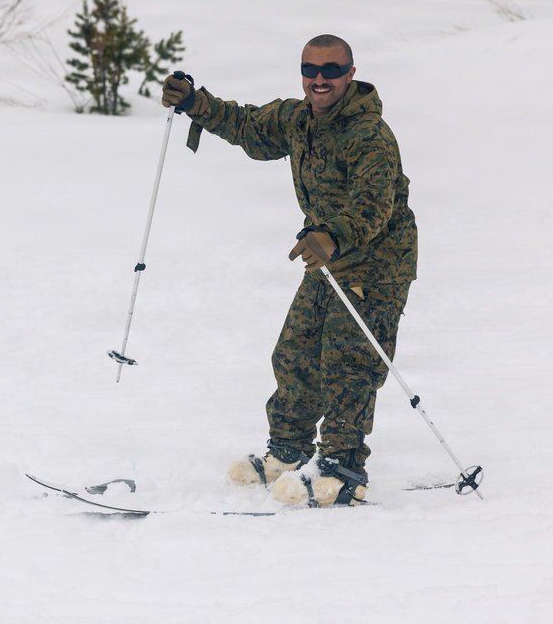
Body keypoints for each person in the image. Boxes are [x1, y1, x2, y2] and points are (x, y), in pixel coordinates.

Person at [161, 34, 417, 507]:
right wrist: (196, 103)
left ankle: (341, 469)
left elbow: (375, 205)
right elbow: (250, 128)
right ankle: (289, 452)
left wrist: (334, 235)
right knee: (295, 353)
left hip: (375, 265)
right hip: (324, 259)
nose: (320, 79)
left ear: (351, 74)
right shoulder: (299, 119)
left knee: (349, 365)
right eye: (311, 69)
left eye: (332, 70)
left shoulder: (370, 135)